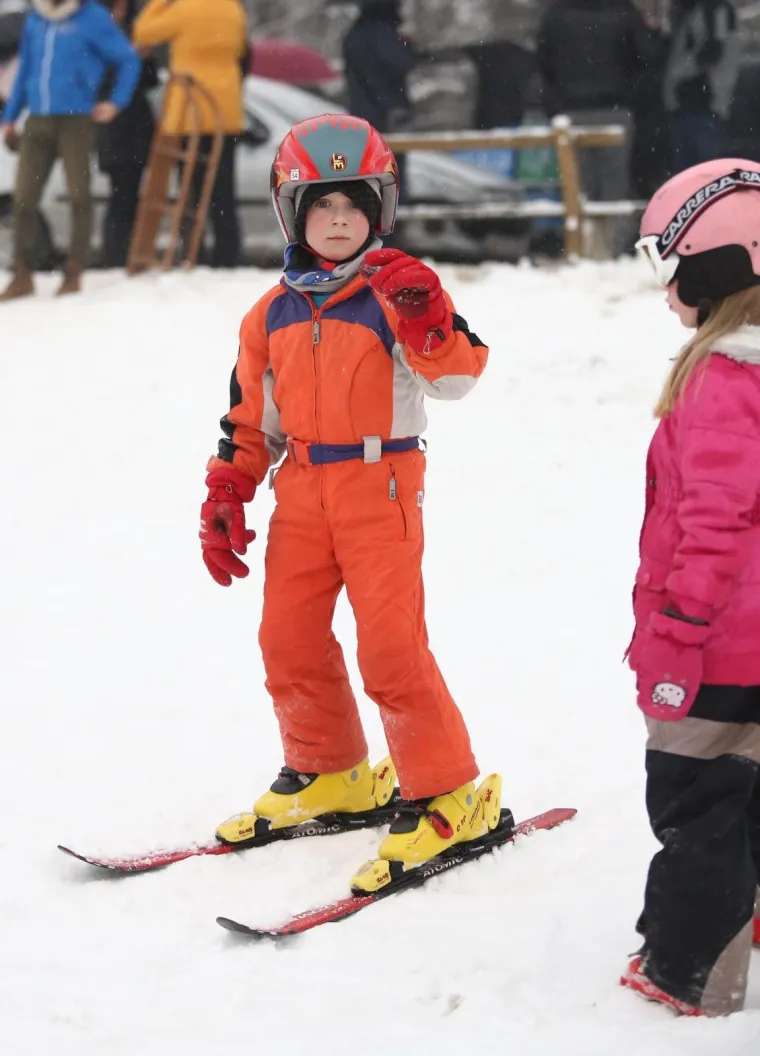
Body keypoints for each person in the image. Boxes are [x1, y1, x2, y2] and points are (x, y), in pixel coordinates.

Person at [200, 115, 499, 891]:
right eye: (321, 206)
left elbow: (459, 375)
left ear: (381, 211)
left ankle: (447, 791)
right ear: (292, 214)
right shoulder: (270, 313)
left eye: (355, 207)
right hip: (300, 488)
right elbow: (249, 416)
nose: (339, 222)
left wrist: (427, 315)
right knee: (288, 640)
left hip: (381, 486)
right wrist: (230, 486)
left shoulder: (399, 290)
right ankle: (329, 769)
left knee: (391, 650)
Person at [622, 158, 760, 1016]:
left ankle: (687, 969)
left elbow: (717, 516)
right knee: (747, 787)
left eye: (673, 269)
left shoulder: (724, 378)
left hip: (717, 639)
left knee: (697, 802)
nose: (667, 289)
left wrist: (678, 619)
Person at [0, 0, 139, 299]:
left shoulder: (92, 17)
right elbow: (25, 67)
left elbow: (128, 58)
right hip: (37, 118)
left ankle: (74, 271)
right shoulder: (37, 19)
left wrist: (116, 102)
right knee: (23, 197)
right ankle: (21, 273)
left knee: (78, 194)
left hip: (76, 119)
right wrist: (9, 118)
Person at [536, 0, 659, 257]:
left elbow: (543, 61)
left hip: (571, 109)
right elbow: (647, 59)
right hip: (614, 107)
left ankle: (582, 245)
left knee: (578, 182)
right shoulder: (624, 12)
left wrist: (556, 100)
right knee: (613, 183)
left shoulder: (558, 14)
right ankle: (609, 248)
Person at [132, 0, 247, 268]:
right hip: (225, 109)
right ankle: (228, 256)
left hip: (190, 108)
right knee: (223, 190)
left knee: (189, 191)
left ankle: (192, 252)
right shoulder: (233, 9)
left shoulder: (184, 8)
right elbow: (241, 50)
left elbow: (143, 32)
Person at [96, 0, 157, 269]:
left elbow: (152, 79)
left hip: (137, 127)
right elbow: (98, 80)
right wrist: (128, 60)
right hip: (114, 128)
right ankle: (116, 257)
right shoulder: (96, 35)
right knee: (121, 196)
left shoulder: (135, 32)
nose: (119, 11)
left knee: (132, 197)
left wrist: (142, 60)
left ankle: (129, 255)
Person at [663, 0, 740, 174]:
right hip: (691, 102)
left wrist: (681, 72)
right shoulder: (696, 10)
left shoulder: (716, 9)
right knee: (692, 171)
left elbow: (714, 50)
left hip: (703, 100)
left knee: (702, 172)